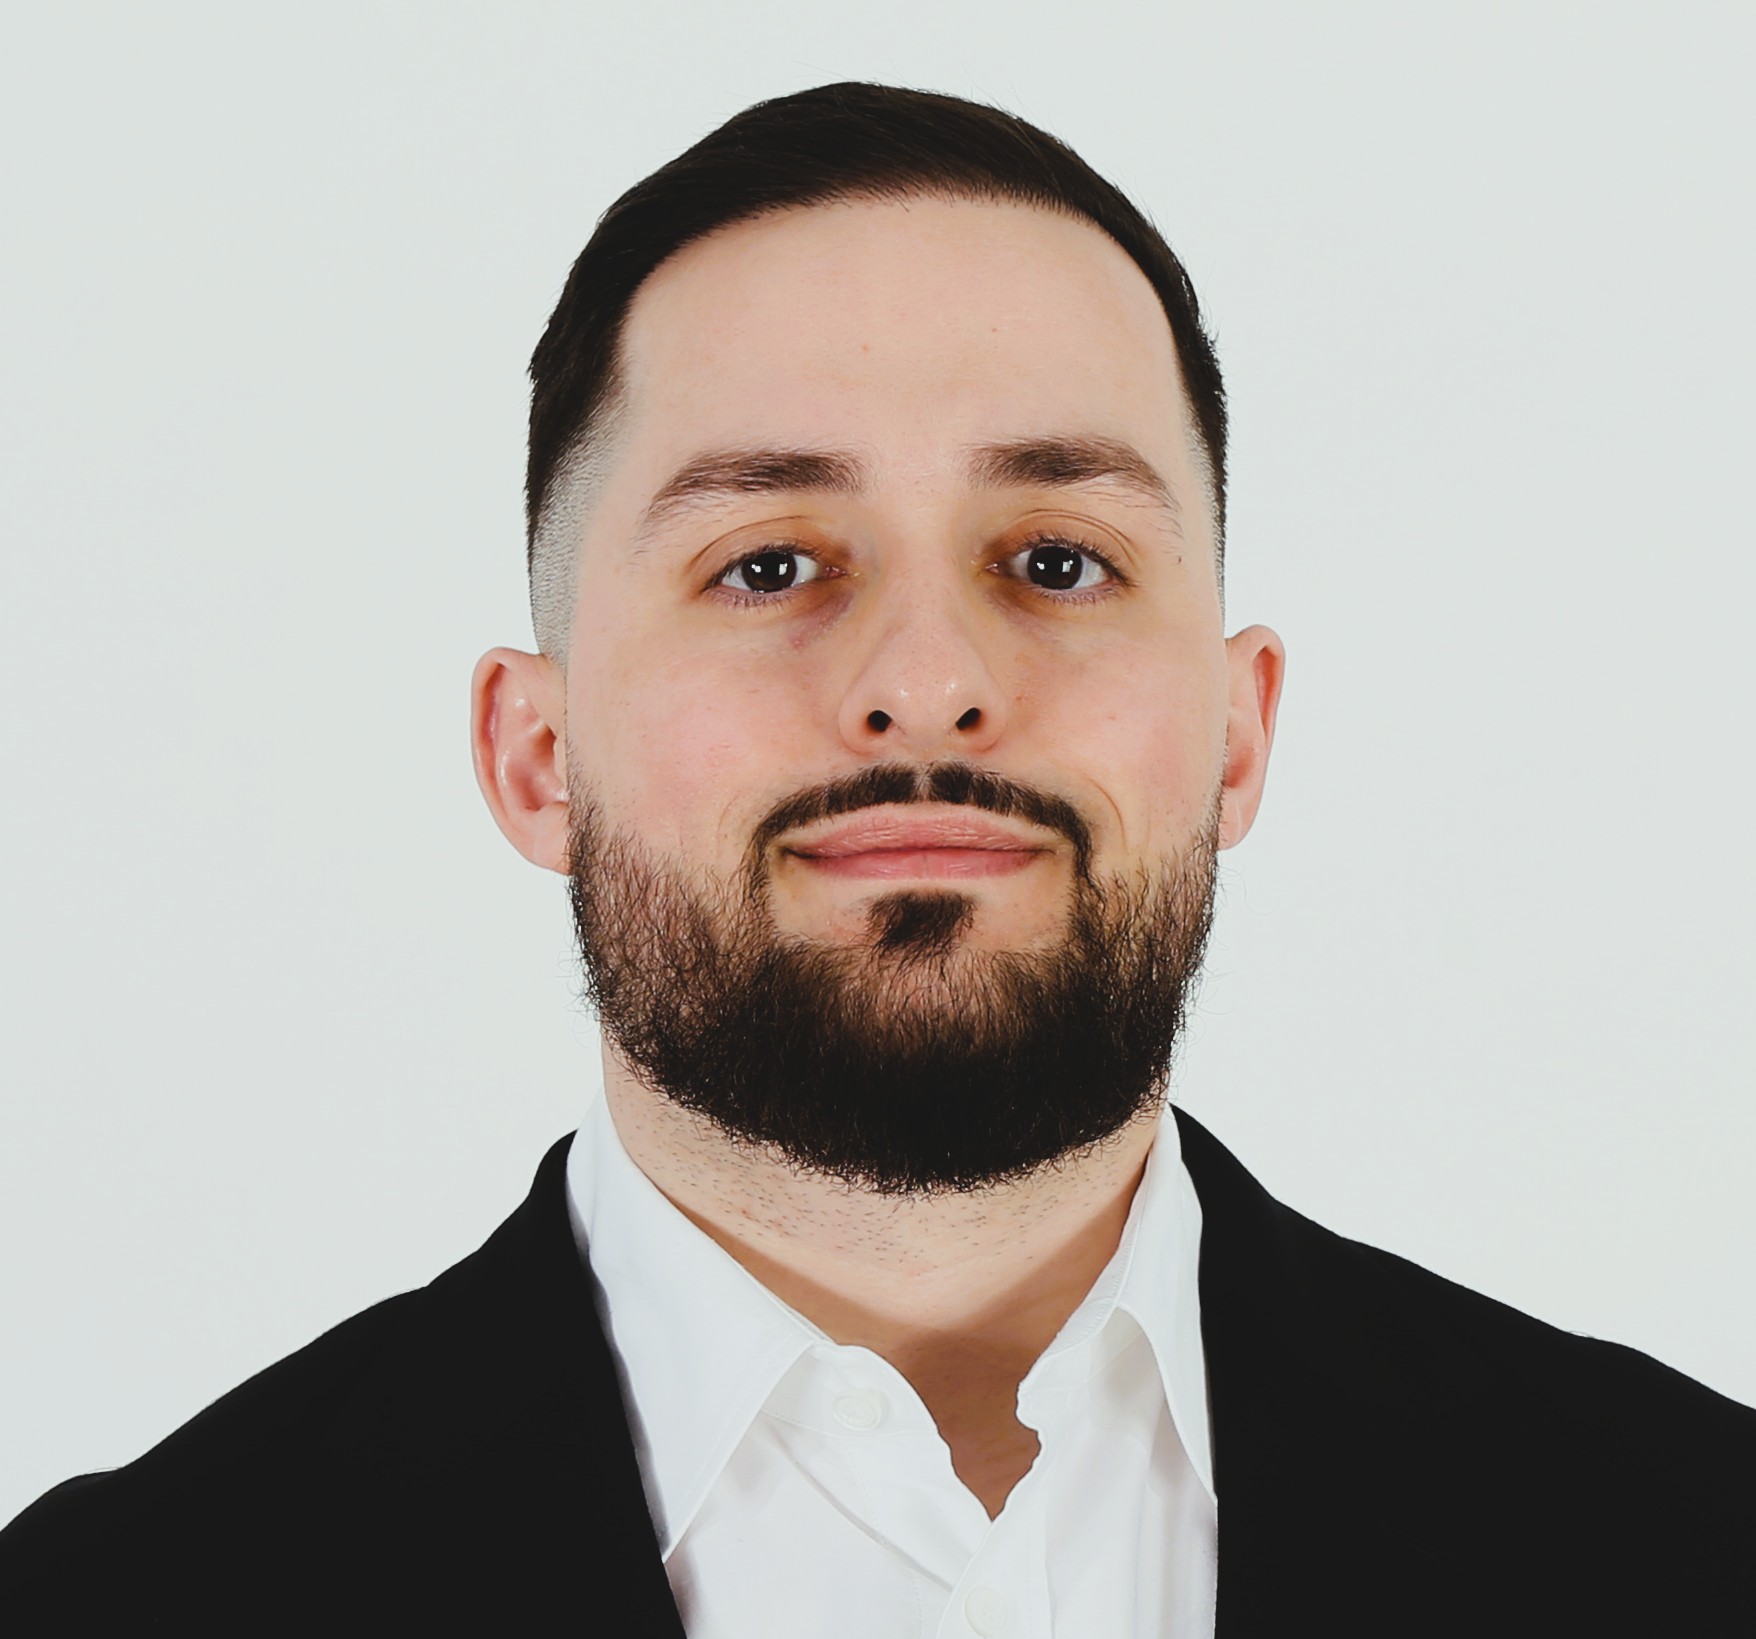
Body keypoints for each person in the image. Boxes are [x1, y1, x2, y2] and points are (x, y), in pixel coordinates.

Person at [3, 80, 1751, 1637]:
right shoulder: (109, 1606)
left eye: (1057, 559)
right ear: (538, 758)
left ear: (1237, 736)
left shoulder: (1699, 1547)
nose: (927, 684)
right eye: (769, 565)